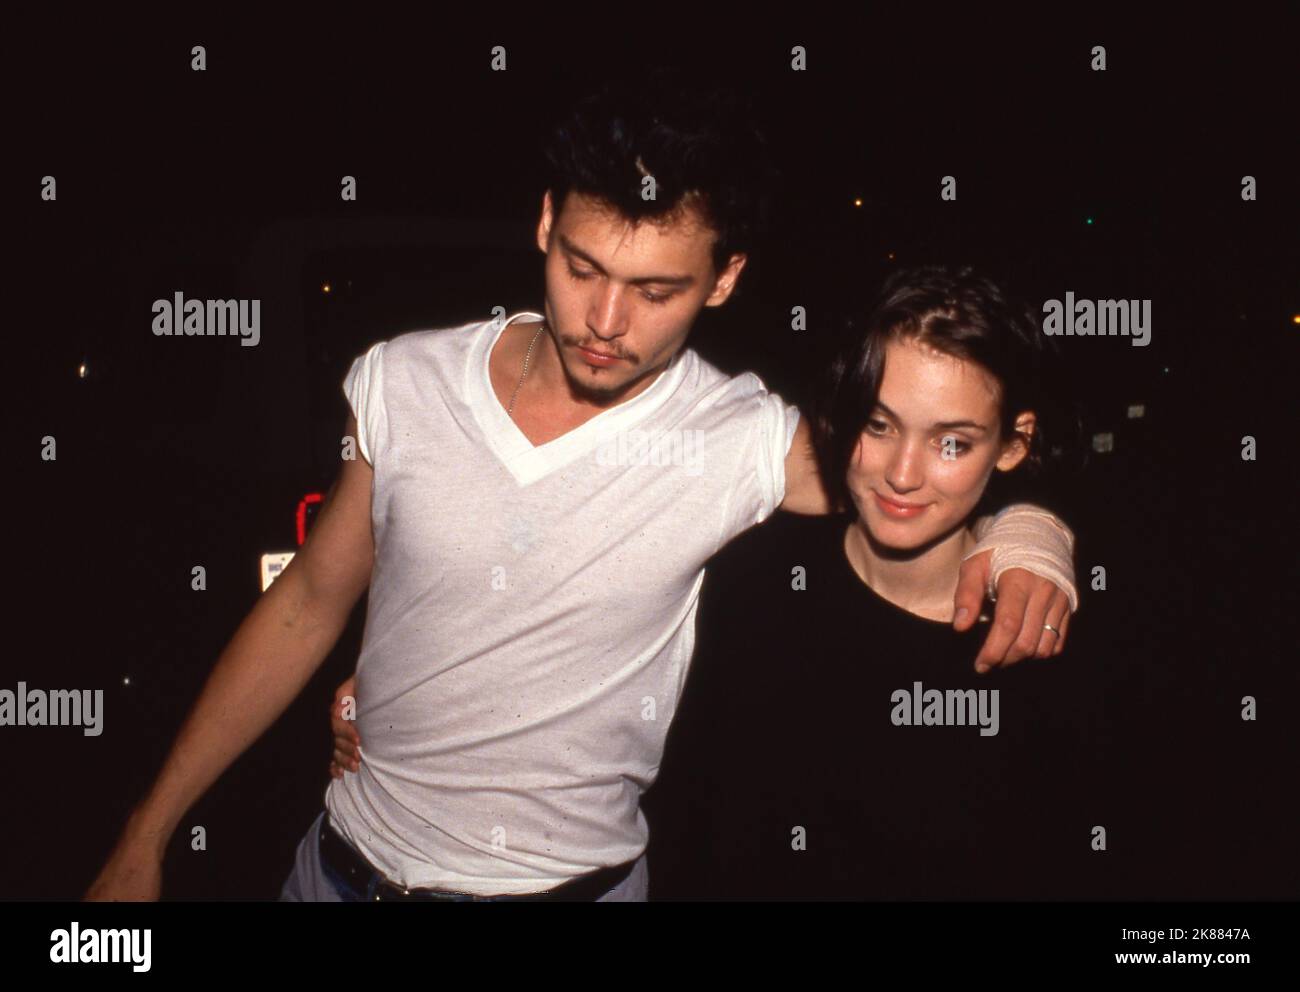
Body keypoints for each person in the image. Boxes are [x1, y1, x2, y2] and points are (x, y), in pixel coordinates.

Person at [86, 70, 1077, 904]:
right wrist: (147, 831)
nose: (605, 320)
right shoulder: (408, 377)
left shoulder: (734, 437)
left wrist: (1034, 527)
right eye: (582, 267)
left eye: (656, 291)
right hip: (338, 874)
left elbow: (910, 471)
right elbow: (309, 599)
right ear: (546, 221)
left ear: (723, 278)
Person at [641, 264, 1102, 899]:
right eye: (878, 425)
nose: (902, 474)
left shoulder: (1037, 642)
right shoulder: (747, 581)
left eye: (952, 443)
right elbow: (686, 826)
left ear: (1013, 445)